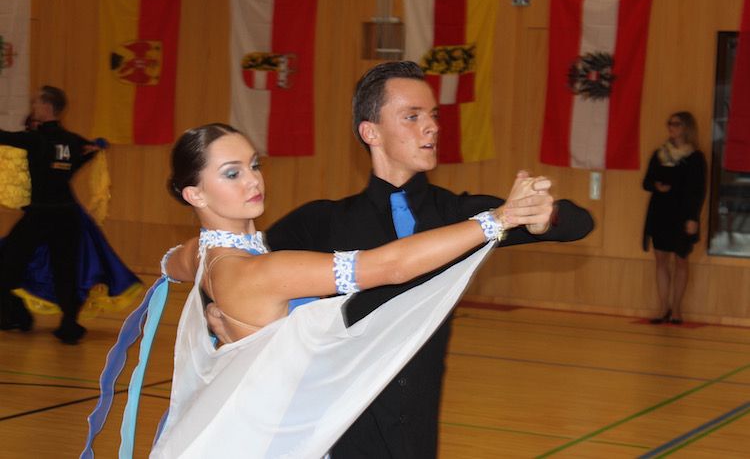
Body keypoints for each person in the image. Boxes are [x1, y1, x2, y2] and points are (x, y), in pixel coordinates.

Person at [167, 61, 594, 457]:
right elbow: (250, 269)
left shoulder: (455, 215)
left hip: (417, 426)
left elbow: (578, 222)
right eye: (412, 116)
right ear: (370, 132)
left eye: (433, 115)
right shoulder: (320, 222)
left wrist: (541, 216)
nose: (431, 126)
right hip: (338, 428)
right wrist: (219, 318)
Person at [0, 86, 141, 344]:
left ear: (46, 107)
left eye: (37, 103)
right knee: (64, 271)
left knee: (7, 262)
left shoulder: (36, 139)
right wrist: (95, 148)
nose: (34, 107)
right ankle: (69, 326)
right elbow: (81, 158)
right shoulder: (73, 141)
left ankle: (17, 315)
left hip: (41, 214)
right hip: (67, 215)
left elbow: (4, 137)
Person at [643, 111, 707, 325]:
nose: (671, 127)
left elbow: (698, 190)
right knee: (660, 261)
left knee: (680, 261)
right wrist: (656, 185)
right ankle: (663, 307)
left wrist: (693, 218)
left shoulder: (695, 157)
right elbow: (646, 182)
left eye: (676, 124)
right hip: (660, 213)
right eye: (669, 123)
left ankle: (677, 309)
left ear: (687, 127)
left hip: (683, 215)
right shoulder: (659, 154)